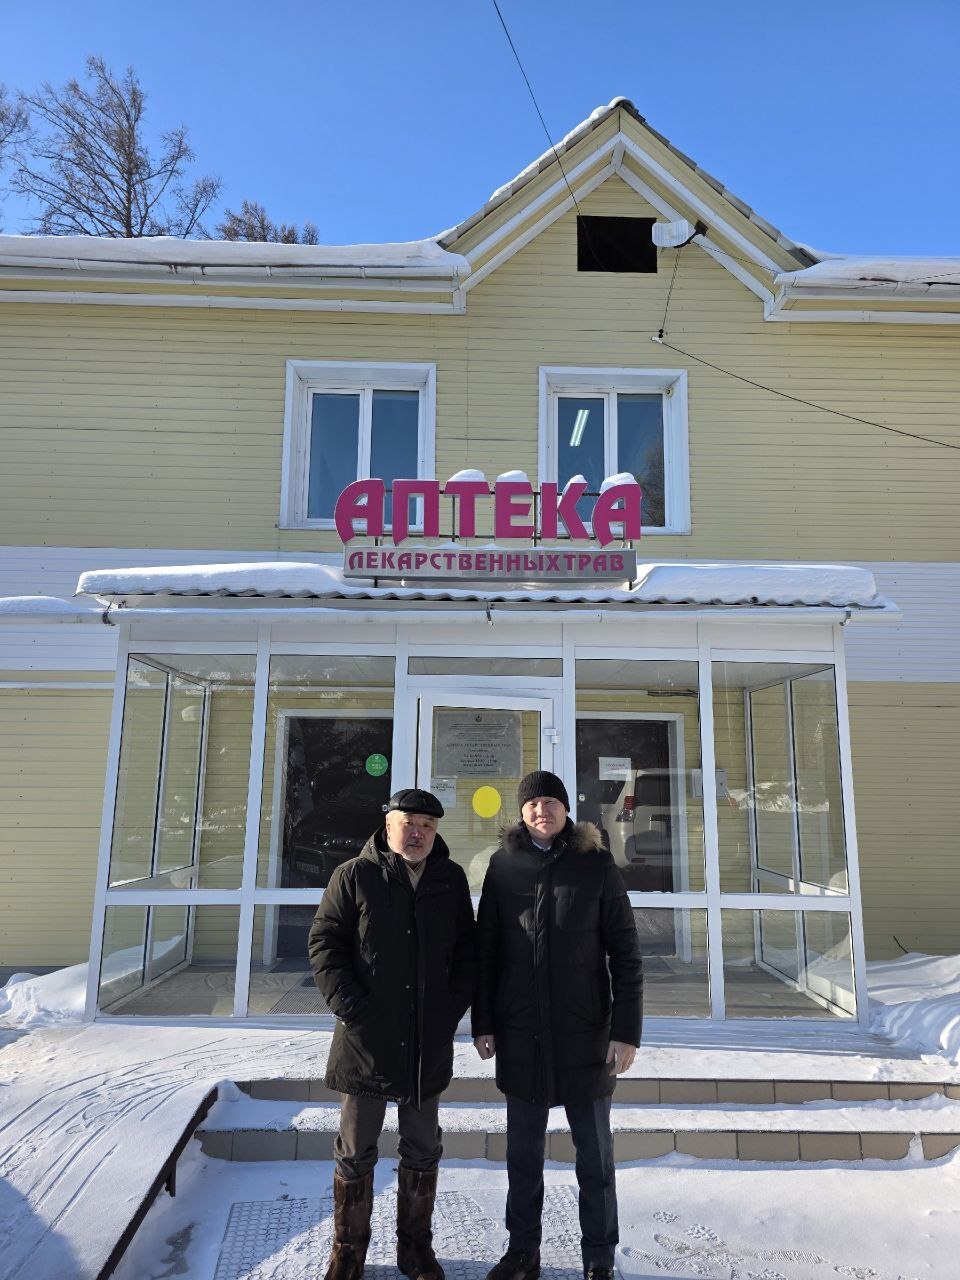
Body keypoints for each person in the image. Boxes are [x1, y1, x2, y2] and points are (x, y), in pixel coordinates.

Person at [472, 770, 642, 1280]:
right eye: (532, 804)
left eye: (550, 801)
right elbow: (486, 952)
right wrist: (484, 1022)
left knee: (595, 1159)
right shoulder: (503, 866)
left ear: (566, 809)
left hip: (585, 1036)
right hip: (521, 1035)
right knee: (523, 1158)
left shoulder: (597, 866)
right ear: (521, 812)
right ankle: (522, 1252)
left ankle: (599, 1256)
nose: (540, 810)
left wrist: (625, 1032)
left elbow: (626, 955)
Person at [309, 788, 476, 1280]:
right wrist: (351, 1010)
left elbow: (467, 951)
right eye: (409, 823)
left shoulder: (449, 879)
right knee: (356, 1149)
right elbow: (324, 943)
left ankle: (415, 1250)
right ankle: (348, 1254)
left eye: (428, 824)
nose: (418, 833)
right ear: (388, 826)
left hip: (426, 1042)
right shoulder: (354, 876)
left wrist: (449, 1008)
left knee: (422, 1146)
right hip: (366, 1041)